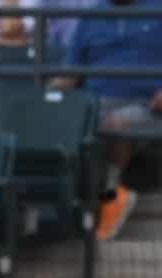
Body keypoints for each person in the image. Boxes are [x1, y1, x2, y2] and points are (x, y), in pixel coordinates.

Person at [55, 0, 162, 241]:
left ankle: (111, 192)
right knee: (63, 120)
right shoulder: (91, 16)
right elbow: (70, 73)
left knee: (116, 123)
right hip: (95, 103)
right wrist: (45, 95)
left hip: (146, 105)